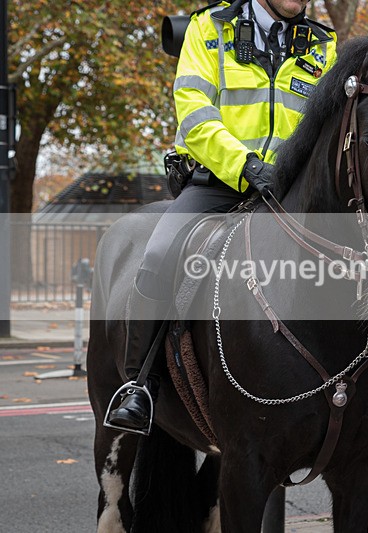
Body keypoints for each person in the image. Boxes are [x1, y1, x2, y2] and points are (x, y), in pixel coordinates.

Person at [106, 0, 337, 433]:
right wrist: (245, 164)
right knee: (158, 256)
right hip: (218, 181)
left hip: (291, 192)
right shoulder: (208, 28)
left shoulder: (324, 45)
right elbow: (194, 109)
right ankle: (140, 384)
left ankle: (366, 381)